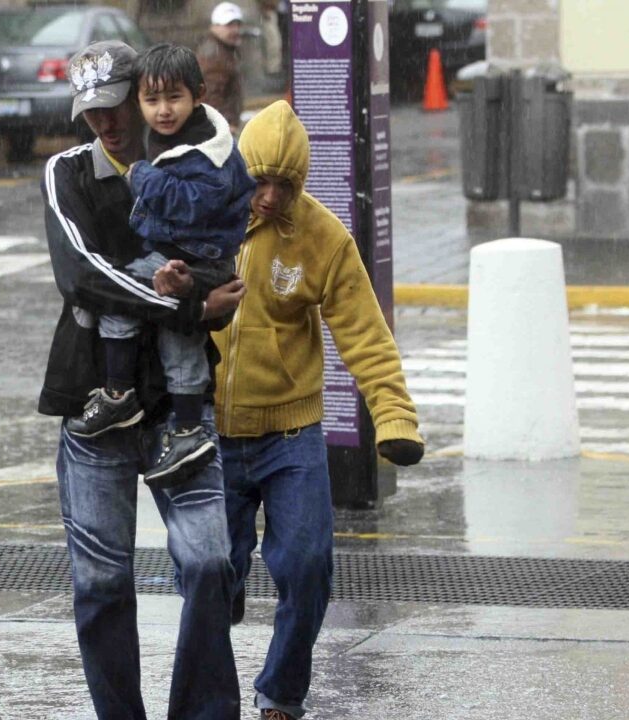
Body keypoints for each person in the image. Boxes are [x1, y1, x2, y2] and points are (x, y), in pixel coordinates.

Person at [41, 39, 247, 720]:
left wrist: (207, 287)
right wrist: (185, 305)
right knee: (101, 581)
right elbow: (80, 276)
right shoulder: (67, 172)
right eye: (89, 111)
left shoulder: (195, 161)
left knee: (212, 565)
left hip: (179, 407)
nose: (104, 123)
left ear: (149, 94)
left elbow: (225, 257)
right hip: (95, 395)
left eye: (115, 105)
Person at [216, 100, 424, 719]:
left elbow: (365, 333)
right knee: (209, 573)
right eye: (260, 181)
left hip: (291, 430)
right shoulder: (205, 215)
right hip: (213, 432)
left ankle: (280, 692)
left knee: (308, 568)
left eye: (287, 185)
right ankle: (211, 675)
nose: (271, 196)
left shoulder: (324, 237)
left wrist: (394, 416)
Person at [66, 42, 256, 487]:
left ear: (197, 95)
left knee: (131, 302)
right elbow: (77, 274)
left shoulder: (201, 151)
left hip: (197, 258)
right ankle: (175, 422)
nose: (163, 110)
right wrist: (197, 308)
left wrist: (144, 176)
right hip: (190, 260)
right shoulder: (74, 170)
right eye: (153, 100)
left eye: (173, 98)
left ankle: (130, 399)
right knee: (176, 332)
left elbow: (194, 204)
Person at [197, 1, 245, 130]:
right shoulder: (213, 54)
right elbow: (211, 94)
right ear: (215, 27)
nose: (235, 30)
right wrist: (223, 124)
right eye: (229, 25)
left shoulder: (226, 49)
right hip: (220, 127)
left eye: (237, 25)